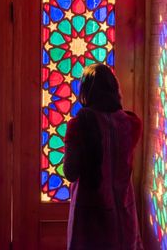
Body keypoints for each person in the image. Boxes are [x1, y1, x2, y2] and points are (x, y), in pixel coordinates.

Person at [63, 63, 143, 250]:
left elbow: (70, 172)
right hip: (124, 215)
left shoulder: (79, 125)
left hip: (90, 219)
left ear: (86, 91)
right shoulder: (132, 124)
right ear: (115, 89)